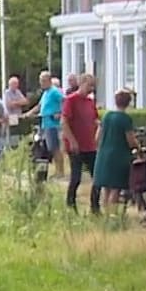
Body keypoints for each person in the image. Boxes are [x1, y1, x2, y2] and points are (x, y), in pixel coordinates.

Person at [61, 74, 101, 213]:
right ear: (82, 83)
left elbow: (95, 119)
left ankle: (95, 207)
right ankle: (70, 206)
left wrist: (99, 128)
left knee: (97, 176)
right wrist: (72, 141)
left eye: (93, 86)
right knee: (76, 177)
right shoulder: (71, 100)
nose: (91, 89)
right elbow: (64, 122)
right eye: (89, 85)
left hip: (90, 144)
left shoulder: (90, 102)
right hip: (76, 145)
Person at [94, 89, 136, 211]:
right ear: (128, 103)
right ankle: (112, 215)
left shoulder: (107, 116)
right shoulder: (125, 119)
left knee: (106, 188)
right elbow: (131, 141)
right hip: (119, 156)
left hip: (104, 154)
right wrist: (138, 148)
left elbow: (97, 137)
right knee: (115, 188)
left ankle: (105, 213)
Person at [36, 73, 65, 177]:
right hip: (45, 123)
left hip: (52, 124)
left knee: (54, 147)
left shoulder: (54, 91)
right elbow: (39, 106)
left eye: (43, 80)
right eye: (40, 80)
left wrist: (60, 112)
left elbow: (64, 101)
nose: (41, 83)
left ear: (48, 80)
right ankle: (57, 170)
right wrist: (28, 114)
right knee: (49, 148)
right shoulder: (45, 93)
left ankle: (60, 171)